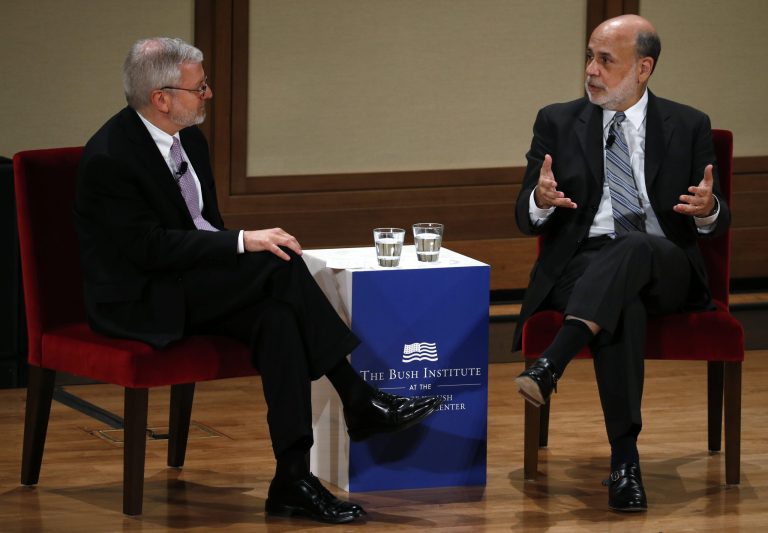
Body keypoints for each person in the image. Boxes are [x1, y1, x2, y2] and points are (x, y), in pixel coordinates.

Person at [74, 37, 442, 524]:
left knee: (278, 318)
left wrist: (238, 246)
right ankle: (358, 399)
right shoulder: (110, 157)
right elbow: (150, 249)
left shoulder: (190, 141)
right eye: (199, 87)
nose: (208, 94)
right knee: (275, 263)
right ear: (161, 99)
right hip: (141, 296)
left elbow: (202, 225)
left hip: (193, 281)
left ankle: (292, 477)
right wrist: (243, 242)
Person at [512, 15, 730, 512]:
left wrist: (707, 211)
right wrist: (541, 200)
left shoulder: (689, 124)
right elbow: (524, 217)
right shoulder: (557, 121)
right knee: (621, 302)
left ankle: (553, 363)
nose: (591, 69)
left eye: (606, 60)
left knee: (631, 250)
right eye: (589, 56)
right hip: (581, 267)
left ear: (644, 68)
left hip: (665, 265)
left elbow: (717, 218)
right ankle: (625, 462)